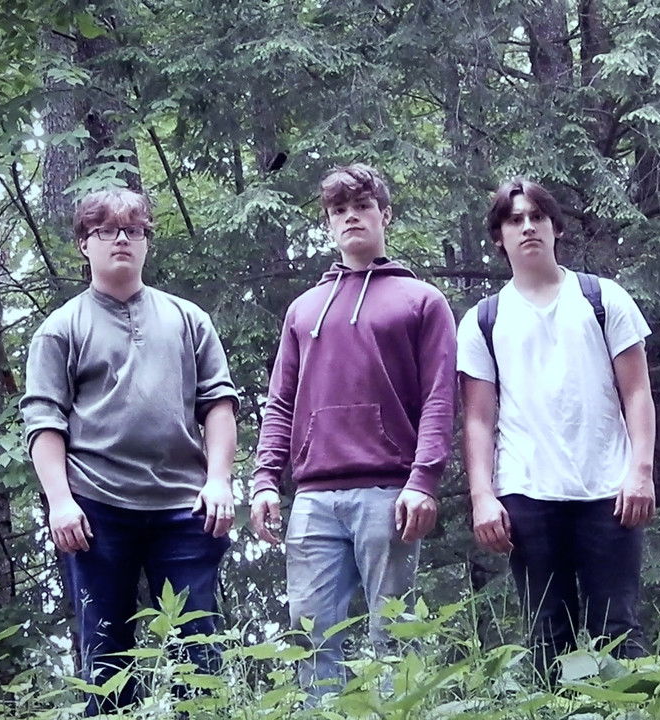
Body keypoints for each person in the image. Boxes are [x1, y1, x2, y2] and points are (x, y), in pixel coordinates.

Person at [20, 188, 239, 715]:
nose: (122, 239)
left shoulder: (189, 319)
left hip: (185, 510)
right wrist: (60, 502)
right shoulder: (60, 329)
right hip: (96, 514)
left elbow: (218, 404)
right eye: (107, 231)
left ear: (146, 242)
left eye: (134, 230)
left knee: (199, 656)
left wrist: (219, 480)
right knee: (105, 662)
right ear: (84, 244)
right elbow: (44, 422)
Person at [249, 163, 456, 697]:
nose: (351, 217)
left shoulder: (422, 301)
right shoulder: (303, 310)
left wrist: (423, 481)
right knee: (311, 642)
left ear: (385, 215)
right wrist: (266, 480)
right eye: (339, 210)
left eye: (362, 206)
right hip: (313, 498)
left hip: (389, 492)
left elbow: (439, 397)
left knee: (394, 639)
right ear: (328, 223)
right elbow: (280, 402)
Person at [457, 178, 657, 683]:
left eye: (537, 217)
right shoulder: (483, 320)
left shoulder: (603, 299)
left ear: (556, 228)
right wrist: (482, 497)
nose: (527, 227)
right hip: (527, 494)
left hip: (609, 490)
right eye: (514, 220)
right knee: (548, 637)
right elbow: (478, 417)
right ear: (499, 237)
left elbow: (637, 391)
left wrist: (641, 472)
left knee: (619, 631)